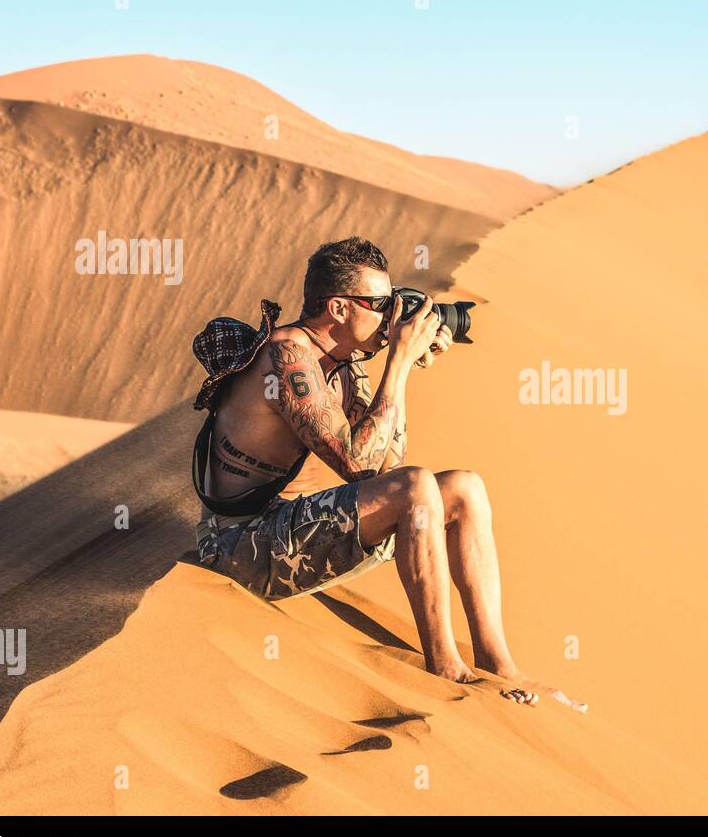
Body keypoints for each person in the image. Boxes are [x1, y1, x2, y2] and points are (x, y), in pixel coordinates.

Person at [190, 236, 582, 711]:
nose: (391, 316)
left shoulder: (343, 364)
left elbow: (384, 467)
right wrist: (396, 362)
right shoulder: (287, 356)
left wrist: (407, 366)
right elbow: (359, 467)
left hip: (293, 537)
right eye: (379, 304)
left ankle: (498, 665)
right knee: (417, 486)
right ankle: (445, 667)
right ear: (337, 307)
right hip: (238, 549)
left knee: (463, 488)